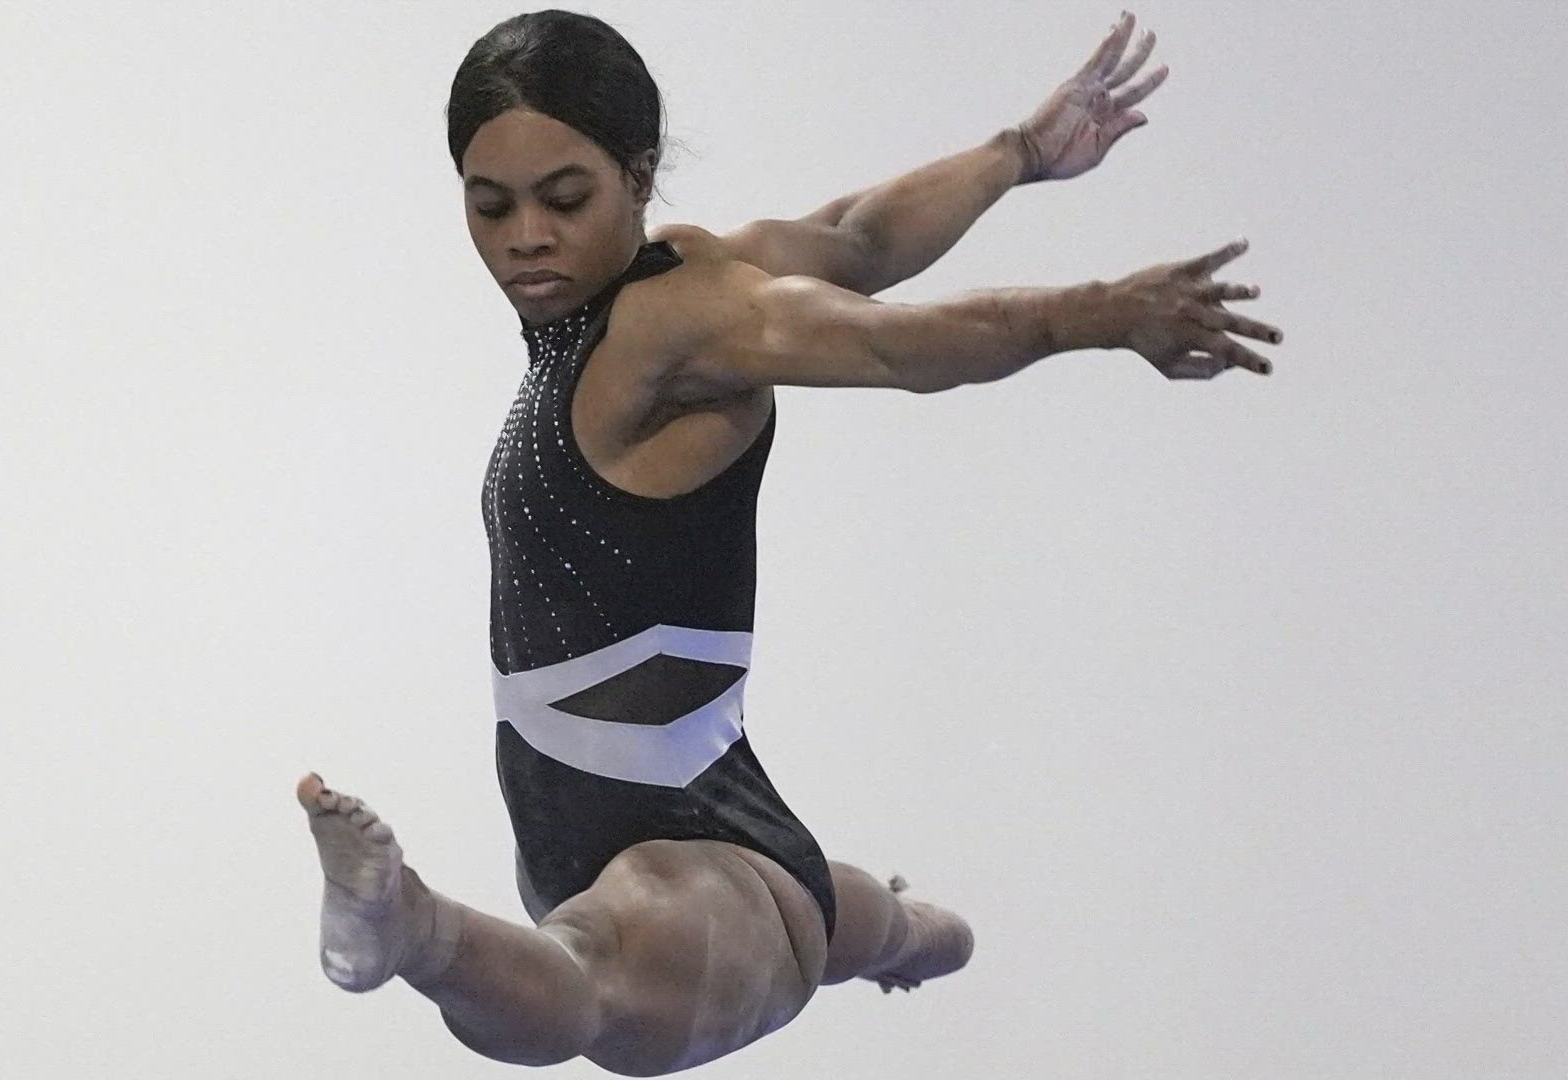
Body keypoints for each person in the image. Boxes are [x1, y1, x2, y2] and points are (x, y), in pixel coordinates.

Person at [300, 8, 1281, 1075]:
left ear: (639, 173)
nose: (526, 236)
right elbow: (861, 236)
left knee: (590, 992)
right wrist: (1021, 154)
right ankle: (900, 932)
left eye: (564, 199)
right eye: (490, 207)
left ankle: (410, 926)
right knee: (864, 926)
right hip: (632, 823)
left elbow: (894, 345)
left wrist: (1095, 311)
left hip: (694, 854)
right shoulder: (641, 298)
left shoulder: (684, 322)